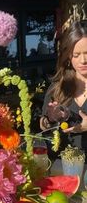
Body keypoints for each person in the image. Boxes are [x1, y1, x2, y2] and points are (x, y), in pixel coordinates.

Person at [40, 20, 87, 157]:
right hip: (62, 165)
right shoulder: (58, 87)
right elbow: (43, 125)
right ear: (68, 57)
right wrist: (50, 118)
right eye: (76, 55)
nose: (83, 60)